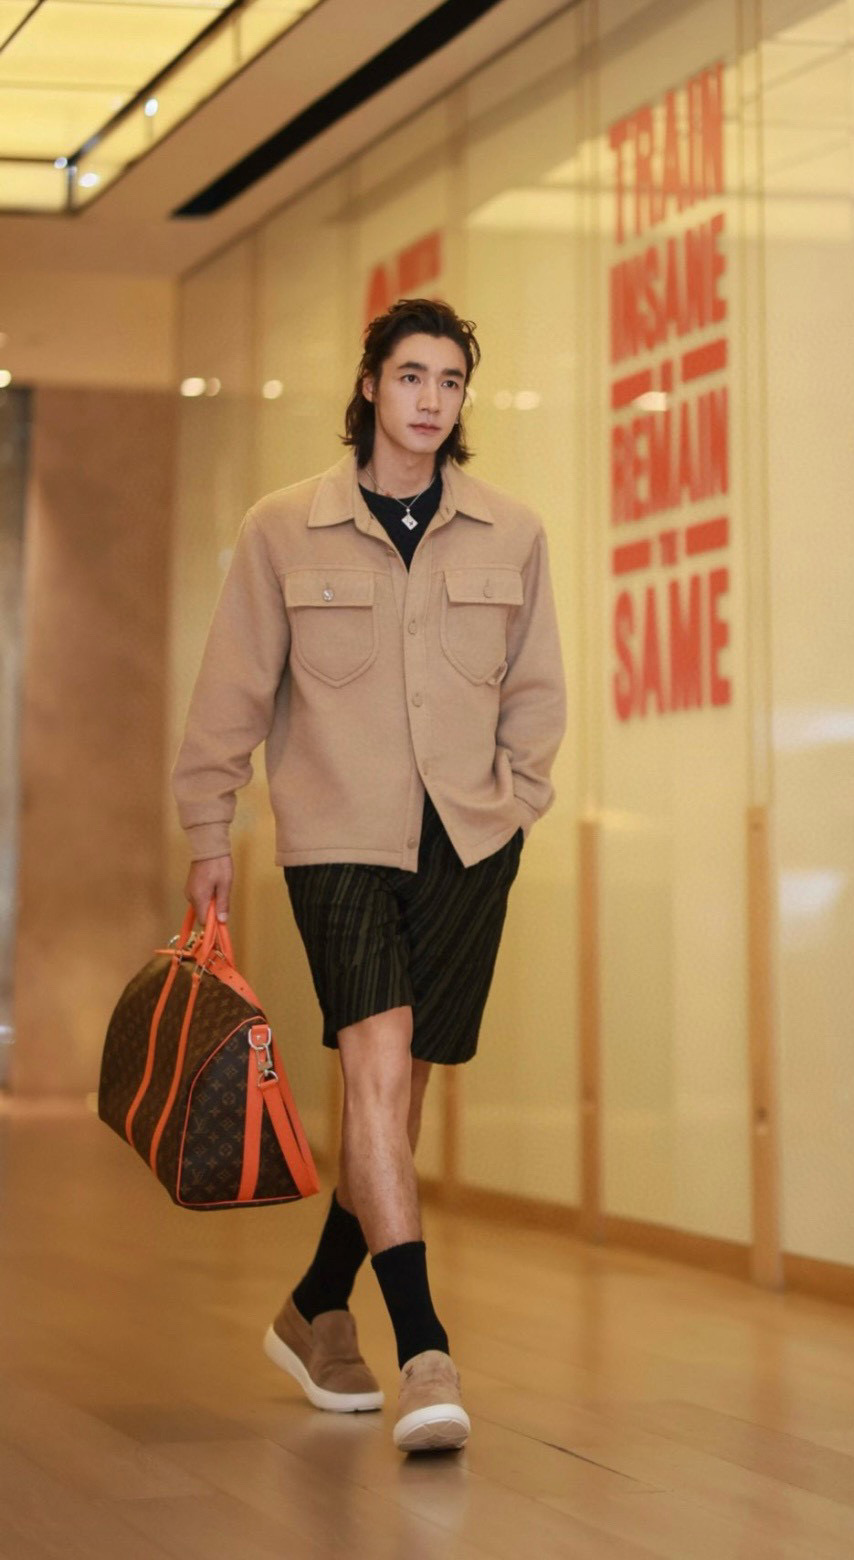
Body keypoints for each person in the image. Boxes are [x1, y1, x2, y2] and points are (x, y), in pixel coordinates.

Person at [170, 297, 567, 1453]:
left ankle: (315, 1309)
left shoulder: (513, 532)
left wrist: (517, 804)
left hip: (468, 844)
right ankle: (425, 1351)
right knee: (377, 1070)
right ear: (370, 386)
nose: (431, 400)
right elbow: (231, 693)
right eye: (410, 376)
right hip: (336, 840)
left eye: (450, 381)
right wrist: (208, 828)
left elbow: (537, 689)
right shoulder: (282, 529)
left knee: (404, 1095)